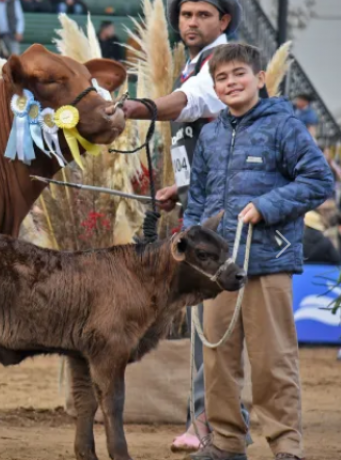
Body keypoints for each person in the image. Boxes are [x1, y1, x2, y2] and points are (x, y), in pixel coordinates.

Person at [184, 42, 333, 460]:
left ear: (260, 78)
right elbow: (198, 201)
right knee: (216, 359)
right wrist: (187, 245)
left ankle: (286, 444)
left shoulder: (284, 126)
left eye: (238, 75)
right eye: (221, 78)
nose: (230, 83)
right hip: (216, 270)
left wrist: (267, 207)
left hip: (268, 263)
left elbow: (318, 181)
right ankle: (227, 442)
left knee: (273, 360)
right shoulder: (211, 134)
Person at [120, 0, 250, 452]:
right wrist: (182, 187)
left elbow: (191, 102)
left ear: (225, 21)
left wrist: (137, 107)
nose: (191, 23)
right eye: (186, 15)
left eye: (203, 15)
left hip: (222, 212)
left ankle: (212, 421)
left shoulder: (224, 60)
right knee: (203, 316)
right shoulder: (195, 61)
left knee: (215, 320)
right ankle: (207, 417)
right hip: (201, 203)